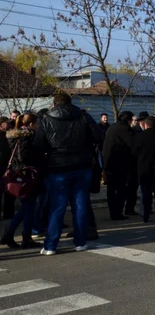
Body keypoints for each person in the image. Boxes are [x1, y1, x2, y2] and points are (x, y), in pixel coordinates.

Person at [35, 92, 103, 255]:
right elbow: (100, 136)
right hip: (82, 166)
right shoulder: (83, 116)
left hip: (57, 168)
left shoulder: (46, 120)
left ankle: (51, 245)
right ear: (70, 102)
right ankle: (80, 242)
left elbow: (38, 146)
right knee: (80, 206)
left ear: (54, 103)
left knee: (57, 207)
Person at [0, 113, 43, 249]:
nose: (37, 126)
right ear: (31, 124)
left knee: (27, 207)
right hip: (26, 176)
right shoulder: (26, 138)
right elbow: (24, 157)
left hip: (20, 176)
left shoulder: (14, 137)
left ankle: (17, 235)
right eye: (36, 123)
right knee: (28, 207)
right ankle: (16, 234)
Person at [102, 111, 135, 220]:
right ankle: (117, 212)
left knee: (111, 189)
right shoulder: (125, 129)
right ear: (128, 120)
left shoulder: (112, 127)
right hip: (119, 163)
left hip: (108, 161)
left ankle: (113, 211)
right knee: (121, 189)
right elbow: (132, 144)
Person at [132, 116, 155, 223]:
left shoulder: (139, 137)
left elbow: (134, 153)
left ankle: (145, 215)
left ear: (146, 125)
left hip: (143, 168)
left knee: (145, 193)